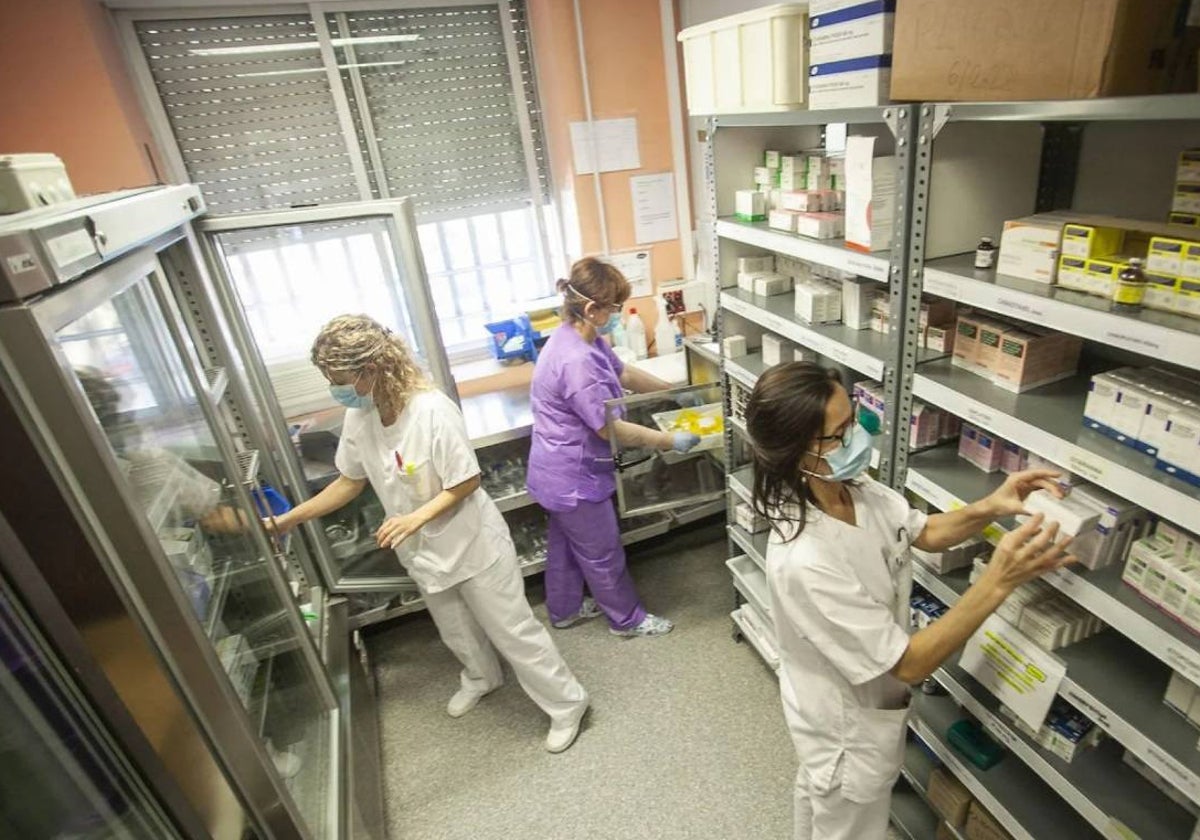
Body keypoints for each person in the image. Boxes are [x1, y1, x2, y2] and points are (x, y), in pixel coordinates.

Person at [745, 362, 1075, 840]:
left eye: (852, 421)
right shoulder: (805, 561)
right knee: (846, 819)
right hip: (845, 731)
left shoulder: (847, 485)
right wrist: (998, 580)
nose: (857, 439)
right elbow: (911, 662)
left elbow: (919, 530)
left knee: (821, 807)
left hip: (856, 713)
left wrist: (991, 505)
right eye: (839, 434)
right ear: (796, 451)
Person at [272, 315, 590, 753]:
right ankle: (482, 677)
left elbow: (465, 482)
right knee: (455, 627)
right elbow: (349, 480)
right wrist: (288, 519)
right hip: (423, 550)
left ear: (373, 369)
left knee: (513, 630)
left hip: (472, 543)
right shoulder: (360, 415)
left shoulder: (431, 411)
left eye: (339, 378)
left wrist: (413, 519)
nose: (334, 387)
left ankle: (566, 704)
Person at [526, 258, 701, 638]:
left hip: (554, 471)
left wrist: (675, 394)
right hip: (574, 478)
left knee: (566, 547)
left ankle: (565, 609)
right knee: (603, 552)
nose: (618, 315)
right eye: (615, 307)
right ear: (592, 308)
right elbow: (610, 429)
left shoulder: (578, 338)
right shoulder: (575, 361)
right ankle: (627, 621)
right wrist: (668, 440)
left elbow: (622, 372)